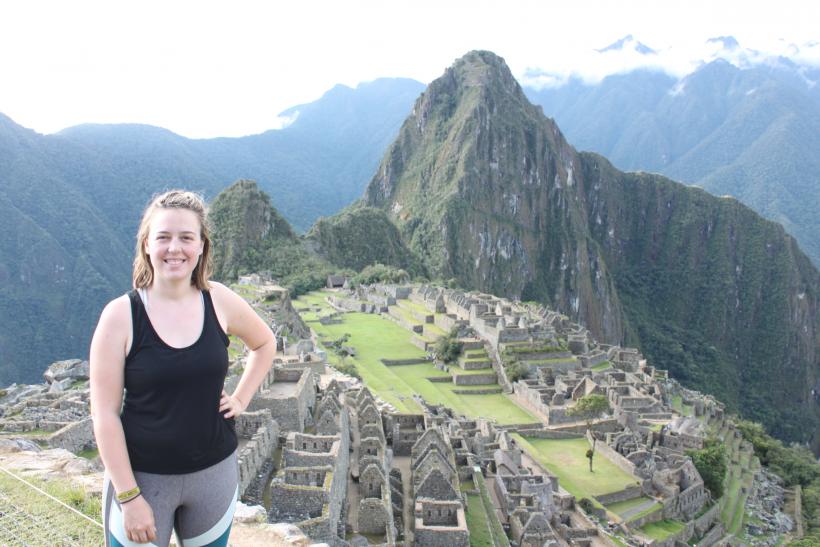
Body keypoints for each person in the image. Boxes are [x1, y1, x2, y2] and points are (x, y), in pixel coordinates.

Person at [90, 190, 276, 546]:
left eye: (186, 238)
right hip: (144, 478)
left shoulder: (218, 299)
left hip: (213, 475)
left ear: (202, 246)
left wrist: (240, 398)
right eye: (163, 237)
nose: (174, 248)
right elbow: (104, 414)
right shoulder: (121, 316)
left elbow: (265, 343)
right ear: (147, 245)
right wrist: (129, 497)